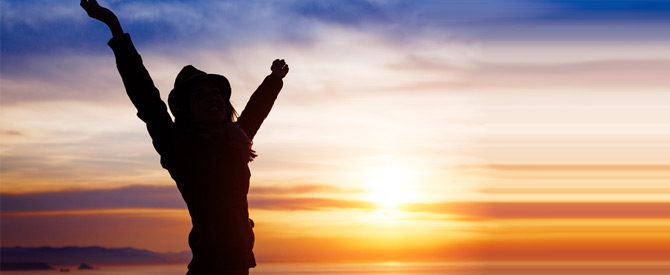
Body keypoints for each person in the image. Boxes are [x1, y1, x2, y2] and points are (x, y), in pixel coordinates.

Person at [80, 1, 289, 274]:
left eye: (215, 93)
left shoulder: (235, 140)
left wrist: (274, 79)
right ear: (185, 110)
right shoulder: (180, 148)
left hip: (240, 265)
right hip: (209, 267)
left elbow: (255, 112)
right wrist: (114, 28)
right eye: (199, 95)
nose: (212, 98)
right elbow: (147, 99)